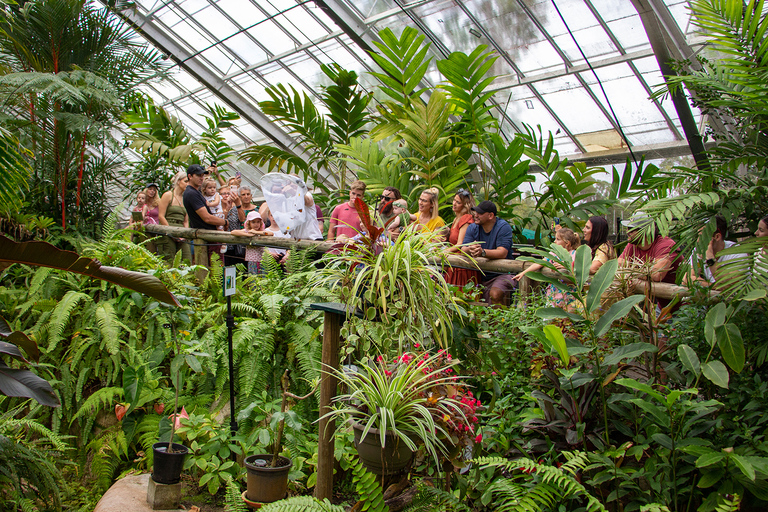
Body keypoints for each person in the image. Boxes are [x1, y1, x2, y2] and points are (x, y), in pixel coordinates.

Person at [618, 211, 681, 309]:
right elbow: (618, 265)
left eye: (632, 229)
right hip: (662, 306)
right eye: (628, 228)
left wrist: (631, 272)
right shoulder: (633, 244)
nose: (627, 232)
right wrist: (645, 273)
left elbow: (656, 274)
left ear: (645, 231)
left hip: (683, 307)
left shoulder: (665, 245)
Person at [462, 200, 516, 305]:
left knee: (495, 294)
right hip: (479, 274)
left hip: (503, 273)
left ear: (490, 216)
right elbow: (463, 248)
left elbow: (502, 253)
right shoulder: (473, 227)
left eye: (480, 213)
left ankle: (499, 321)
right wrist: (471, 249)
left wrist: (482, 252)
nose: (476, 215)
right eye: (475, 212)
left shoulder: (503, 227)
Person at [515, 228, 581, 311]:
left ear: (567, 243)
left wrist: (566, 266)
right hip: (554, 293)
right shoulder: (554, 254)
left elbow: (578, 267)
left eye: (558, 239)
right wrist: (524, 272)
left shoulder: (574, 254)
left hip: (568, 294)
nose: (555, 242)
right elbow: (540, 263)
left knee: (565, 320)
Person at [183, 164, 226, 265]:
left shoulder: (196, 192)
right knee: (213, 269)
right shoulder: (191, 193)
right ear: (190, 176)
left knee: (216, 269)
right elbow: (206, 218)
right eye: (198, 175)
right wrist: (224, 222)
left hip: (208, 236)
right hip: (206, 237)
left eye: (202, 175)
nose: (201, 178)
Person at [686, 216, 746, 288]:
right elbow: (688, 278)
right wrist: (713, 287)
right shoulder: (699, 249)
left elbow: (731, 286)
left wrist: (710, 259)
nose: (698, 240)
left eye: (702, 236)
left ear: (717, 237)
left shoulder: (737, 253)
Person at [444, 189, 480, 287]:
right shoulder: (456, 218)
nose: (454, 204)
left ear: (465, 205)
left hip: (461, 264)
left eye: (458, 202)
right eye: (454, 200)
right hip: (453, 261)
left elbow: (460, 243)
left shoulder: (466, 218)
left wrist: (444, 251)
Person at [156, 171, 192, 264]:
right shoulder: (168, 195)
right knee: (169, 260)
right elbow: (161, 216)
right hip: (168, 230)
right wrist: (171, 232)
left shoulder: (186, 198)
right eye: (185, 181)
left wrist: (184, 234)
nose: (187, 184)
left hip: (181, 232)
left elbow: (186, 220)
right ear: (178, 181)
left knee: (186, 259)